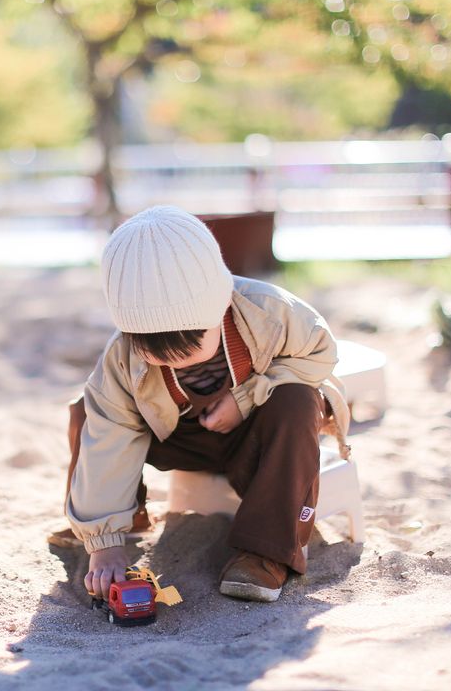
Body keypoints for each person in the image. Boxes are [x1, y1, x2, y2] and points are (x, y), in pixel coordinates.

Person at [57, 205, 350, 603]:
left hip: (256, 437)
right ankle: (122, 517)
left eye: (192, 344)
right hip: (178, 436)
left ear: (221, 302)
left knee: (298, 400)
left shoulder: (271, 312)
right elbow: (110, 437)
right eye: (157, 353)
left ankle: (265, 553)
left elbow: (319, 356)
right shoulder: (122, 358)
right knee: (89, 410)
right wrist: (105, 540)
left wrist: (244, 399)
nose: (176, 360)